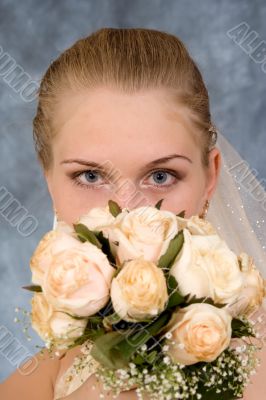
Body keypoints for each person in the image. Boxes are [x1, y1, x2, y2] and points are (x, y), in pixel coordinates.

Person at [0, 27, 265, 400]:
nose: (126, 215)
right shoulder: (38, 382)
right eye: (90, 176)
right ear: (50, 184)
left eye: (161, 176)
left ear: (211, 178)